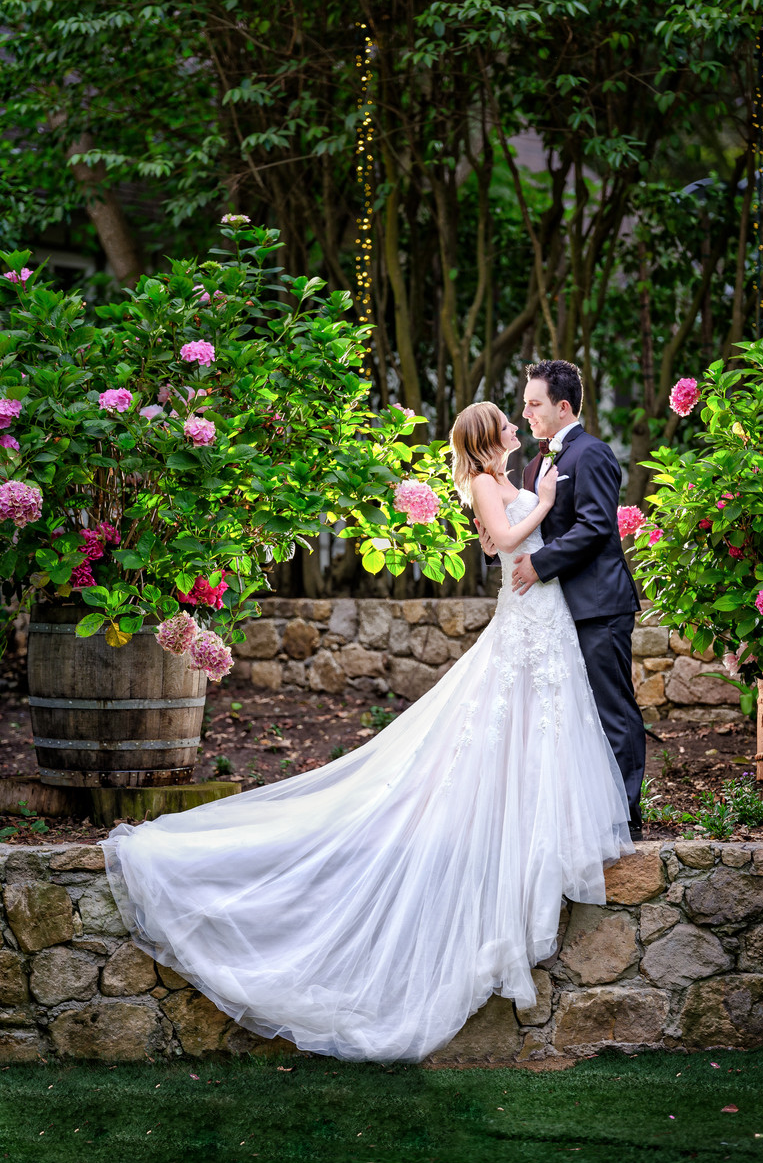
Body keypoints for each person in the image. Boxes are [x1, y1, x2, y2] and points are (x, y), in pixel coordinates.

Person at [99, 400, 632, 1064]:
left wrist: (543, 509)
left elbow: (515, 541)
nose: (515, 428)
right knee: (500, 722)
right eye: (506, 422)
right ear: (487, 439)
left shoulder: (504, 477)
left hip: (539, 618)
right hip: (524, 620)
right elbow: (501, 536)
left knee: (536, 722)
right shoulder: (490, 485)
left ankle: (530, 818)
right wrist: (547, 503)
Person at [475, 361, 646, 839]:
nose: (525, 412)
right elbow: (525, 531)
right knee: (568, 715)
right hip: (552, 611)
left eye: (533, 403)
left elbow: (595, 526)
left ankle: (625, 816)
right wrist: (498, 551)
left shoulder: (592, 454)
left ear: (562, 406)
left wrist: (541, 563)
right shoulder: (532, 466)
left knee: (612, 708)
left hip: (597, 604)